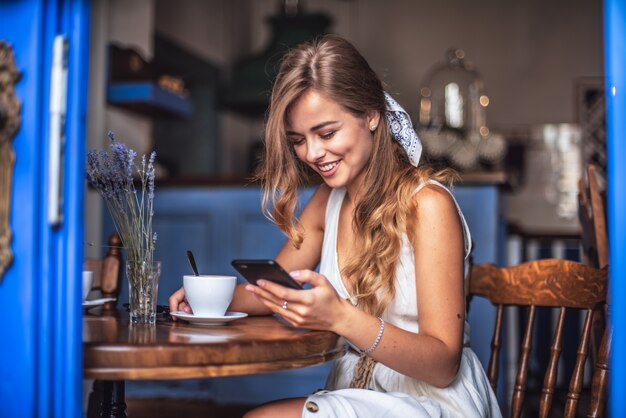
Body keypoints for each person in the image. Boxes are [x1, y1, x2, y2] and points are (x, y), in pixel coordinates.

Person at [169, 35, 501, 418]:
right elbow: (274, 291)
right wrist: (209, 298)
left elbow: (443, 366)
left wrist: (341, 317)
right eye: (298, 140)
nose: (312, 154)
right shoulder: (328, 201)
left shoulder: (428, 205)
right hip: (359, 392)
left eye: (326, 133)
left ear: (371, 115)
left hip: (429, 401)